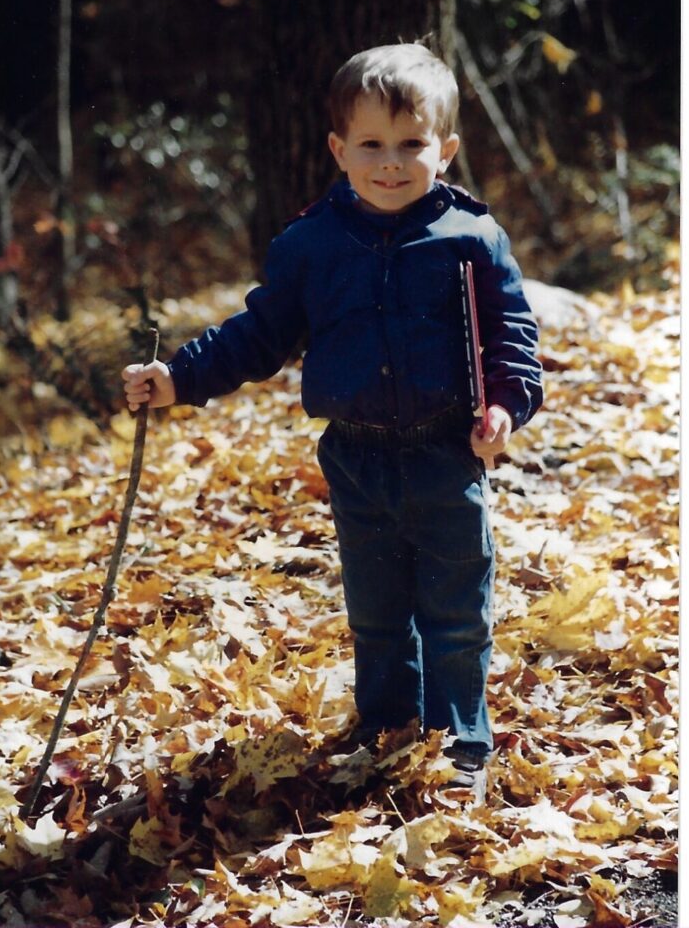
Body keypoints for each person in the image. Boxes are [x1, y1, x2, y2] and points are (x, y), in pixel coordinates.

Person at [123, 43, 543, 803]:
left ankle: (460, 744)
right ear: (338, 149)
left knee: (455, 609)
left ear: (444, 150)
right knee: (378, 612)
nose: (391, 163)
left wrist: (506, 406)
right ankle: (386, 730)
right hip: (356, 458)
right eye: (371, 145)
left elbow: (510, 335)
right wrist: (179, 377)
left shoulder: (472, 240)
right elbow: (259, 335)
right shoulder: (311, 245)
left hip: (447, 452)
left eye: (411, 145)